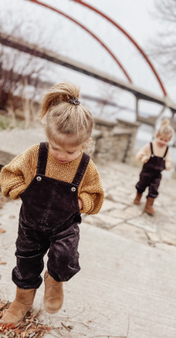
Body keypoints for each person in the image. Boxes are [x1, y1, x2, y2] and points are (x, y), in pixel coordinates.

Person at [0, 82, 104, 325]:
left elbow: (95, 195)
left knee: (64, 255)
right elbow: (9, 174)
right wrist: (20, 190)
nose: (61, 155)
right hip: (31, 223)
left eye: (71, 152)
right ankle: (22, 301)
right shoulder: (36, 153)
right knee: (26, 261)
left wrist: (81, 202)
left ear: (85, 143)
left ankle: (54, 279)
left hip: (64, 225)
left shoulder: (86, 167)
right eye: (56, 147)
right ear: (48, 137)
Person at [134, 119, 173, 215]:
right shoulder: (150, 146)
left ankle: (149, 205)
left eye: (166, 140)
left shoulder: (166, 150)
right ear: (157, 136)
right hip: (147, 171)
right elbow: (139, 154)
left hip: (157, 174)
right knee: (141, 184)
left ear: (169, 140)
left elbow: (168, 159)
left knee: (154, 188)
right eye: (161, 139)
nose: (163, 142)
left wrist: (168, 165)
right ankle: (138, 196)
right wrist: (143, 158)